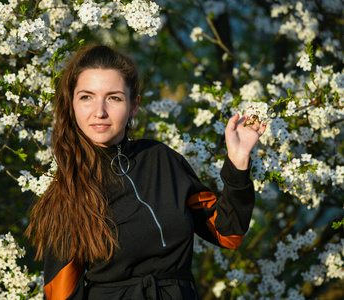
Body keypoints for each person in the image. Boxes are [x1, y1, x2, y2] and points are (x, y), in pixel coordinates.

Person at [25, 45, 266, 300]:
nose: (99, 111)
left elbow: (229, 233)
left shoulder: (162, 159)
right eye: (86, 97)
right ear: (72, 104)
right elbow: (61, 295)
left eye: (114, 98)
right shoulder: (65, 195)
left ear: (133, 106)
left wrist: (238, 161)